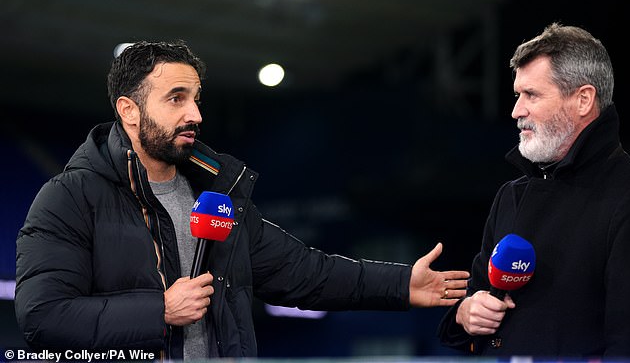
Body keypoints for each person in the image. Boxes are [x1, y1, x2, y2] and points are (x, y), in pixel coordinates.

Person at [15, 40, 469, 359]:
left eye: (195, 98)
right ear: (129, 111)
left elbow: (305, 272)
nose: (195, 114)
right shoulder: (69, 198)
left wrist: (400, 284)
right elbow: (42, 317)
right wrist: (160, 311)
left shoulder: (217, 193)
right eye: (176, 98)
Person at [436, 23, 630, 357]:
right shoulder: (510, 196)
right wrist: (466, 314)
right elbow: (475, 313)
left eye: (532, 95)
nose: (516, 111)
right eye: (517, 95)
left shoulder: (626, 193)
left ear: (583, 99)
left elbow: (626, 339)